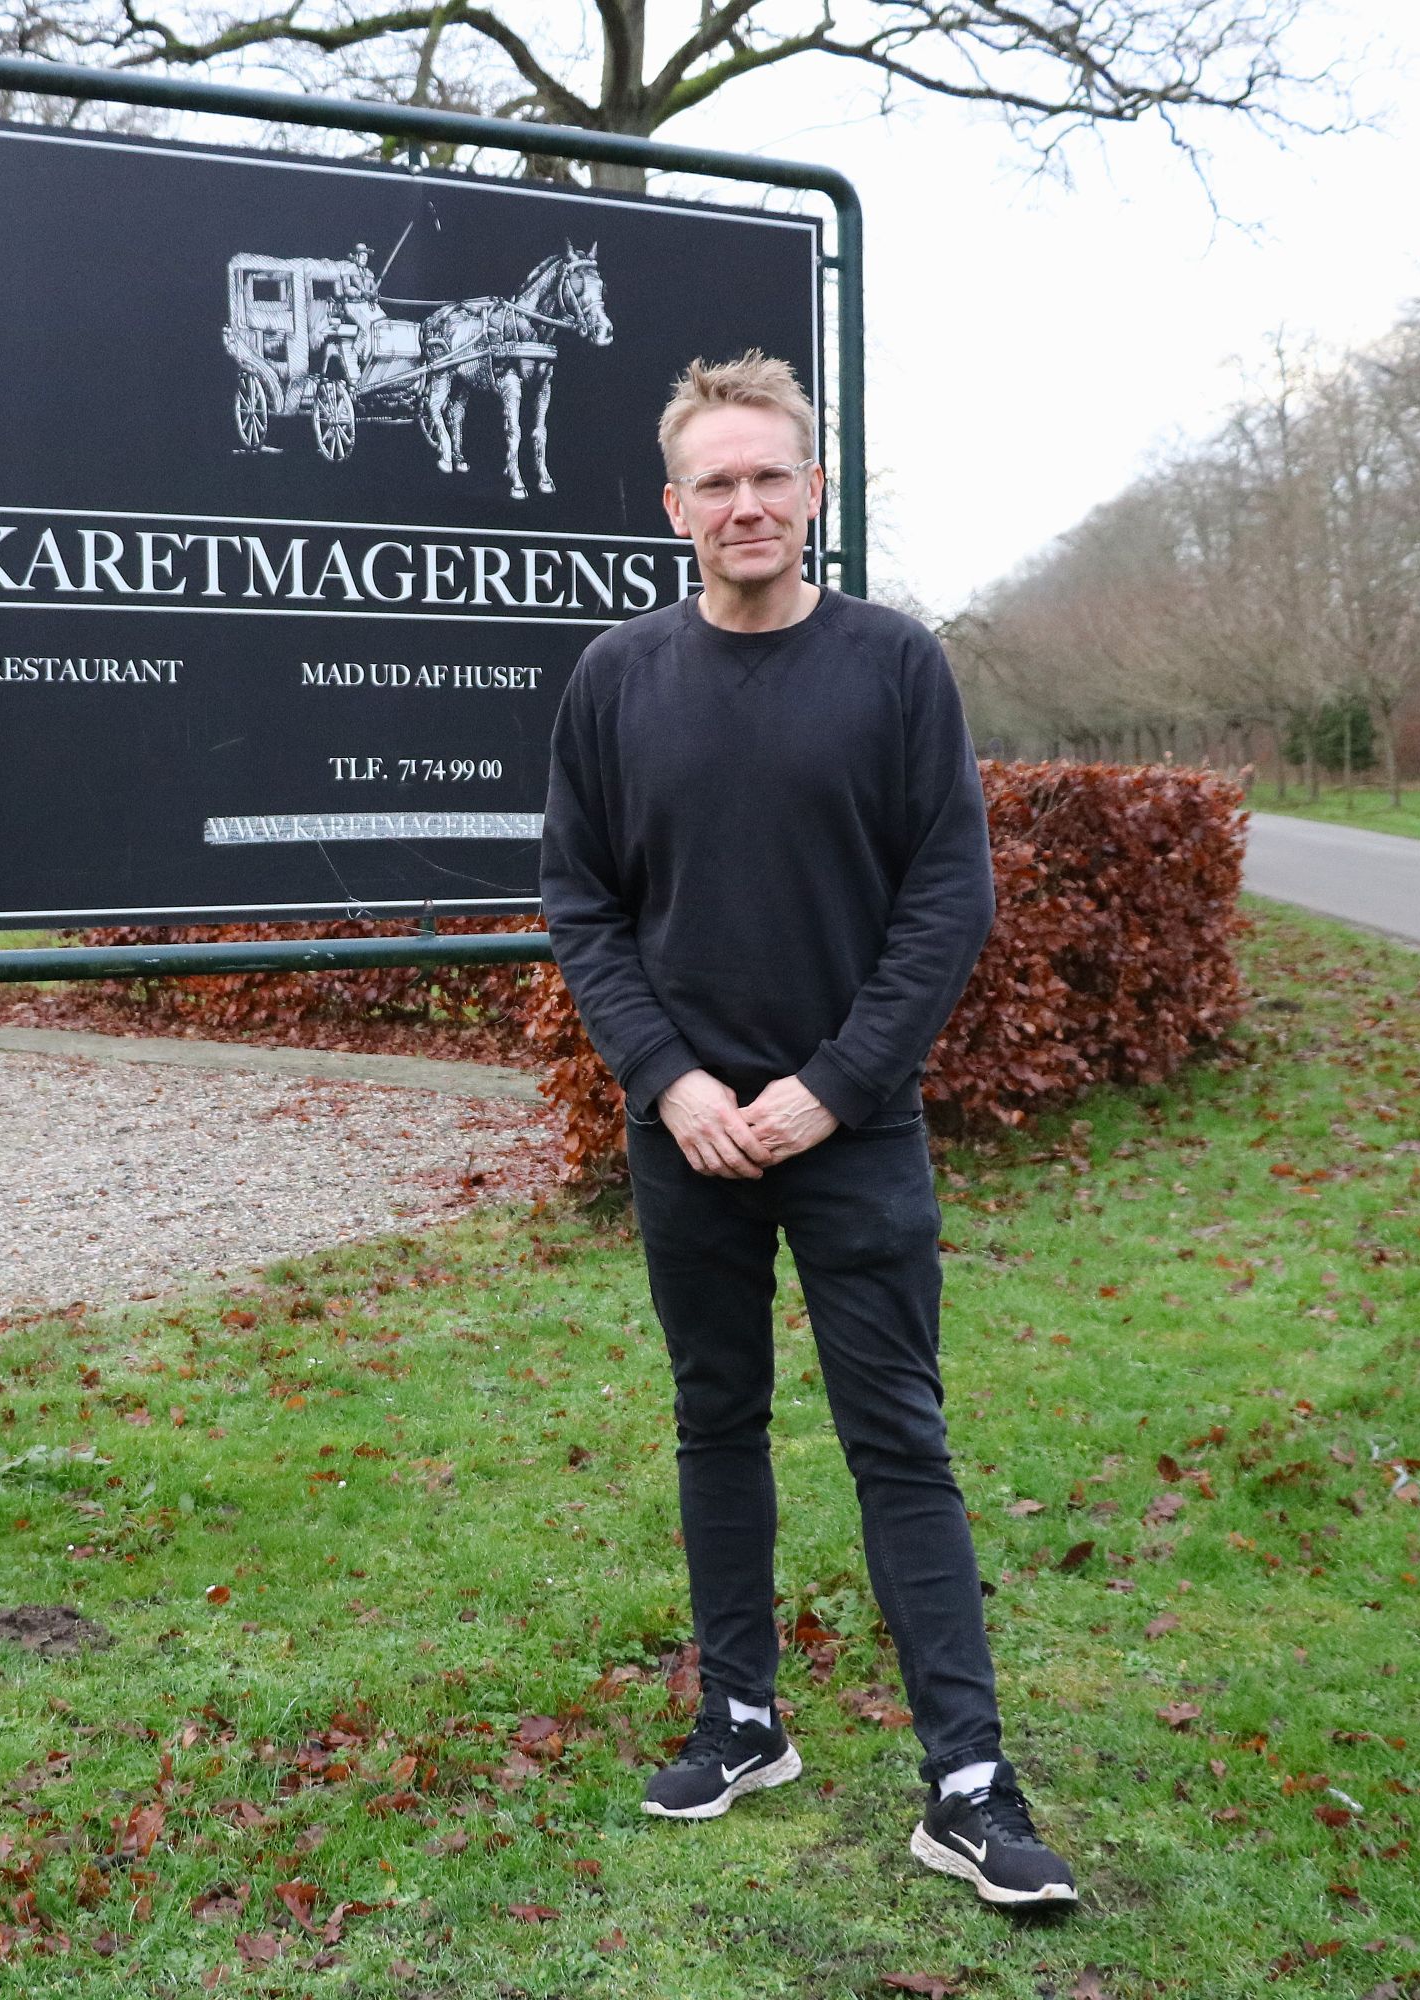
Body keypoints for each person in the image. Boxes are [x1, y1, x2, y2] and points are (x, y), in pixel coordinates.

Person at [538, 350, 1077, 1908]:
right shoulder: (617, 679)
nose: (747, 502)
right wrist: (673, 1081)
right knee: (718, 1420)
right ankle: (743, 1717)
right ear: (675, 506)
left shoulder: (897, 665)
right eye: (717, 481)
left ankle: (967, 1787)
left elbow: (946, 895)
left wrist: (834, 1085)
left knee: (897, 1438)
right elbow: (582, 898)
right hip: (687, 1136)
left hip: (857, 1134)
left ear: (815, 490)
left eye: (772, 475)